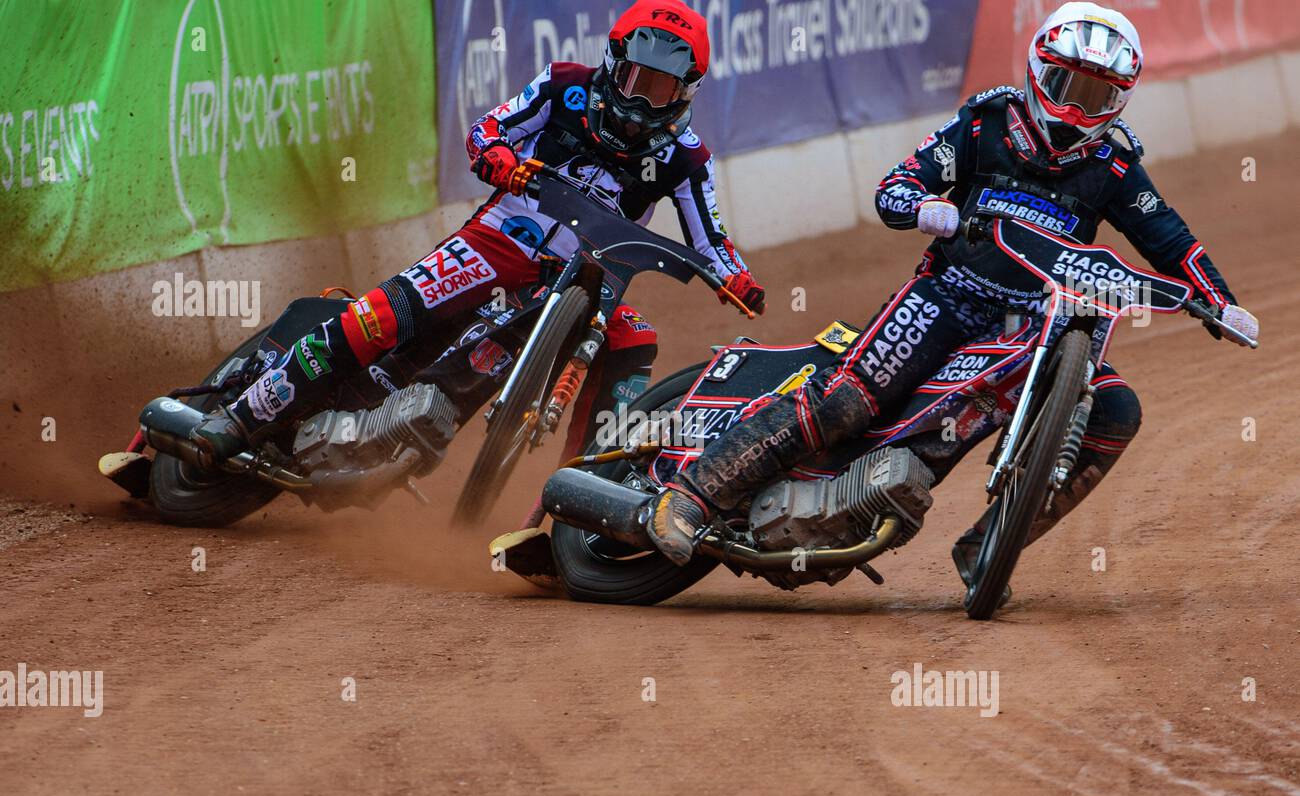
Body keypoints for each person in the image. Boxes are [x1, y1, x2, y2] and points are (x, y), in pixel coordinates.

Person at [644, 1, 1259, 586]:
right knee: (851, 400)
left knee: (1118, 410)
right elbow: (895, 188)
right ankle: (691, 497)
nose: (1075, 108)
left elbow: (1172, 241)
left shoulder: (1116, 167)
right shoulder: (985, 123)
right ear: (1039, 70)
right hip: (947, 295)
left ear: (1118, 101)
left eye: (1095, 95)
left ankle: (991, 542)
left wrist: (1220, 303)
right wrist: (926, 208)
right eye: (1067, 84)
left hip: (1035, 323)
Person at [188, 0, 765, 469]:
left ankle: (584, 495)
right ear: (613, 64)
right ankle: (239, 417)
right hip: (500, 239)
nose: (641, 100)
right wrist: (497, 160)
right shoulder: (563, 84)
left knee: (633, 339)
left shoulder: (688, 159)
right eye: (635, 79)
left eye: (660, 89)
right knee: (380, 317)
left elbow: (711, 239)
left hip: (586, 279)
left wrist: (735, 278)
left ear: (686, 92)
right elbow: (486, 130)